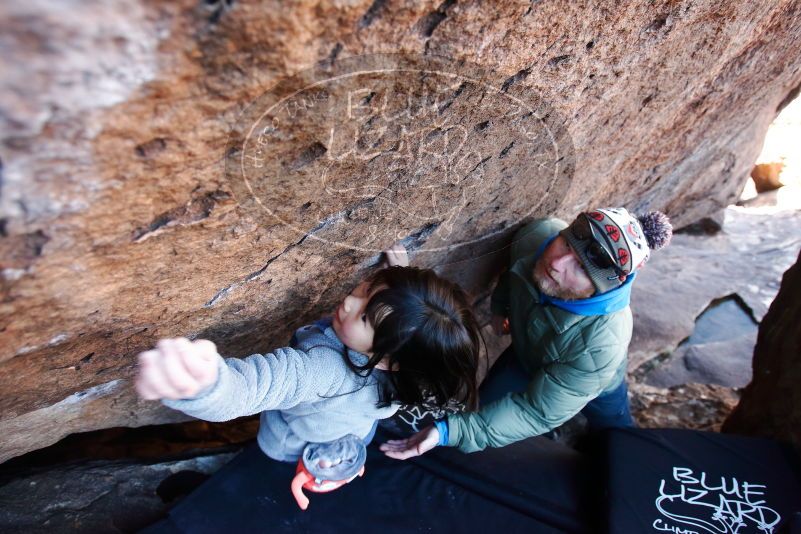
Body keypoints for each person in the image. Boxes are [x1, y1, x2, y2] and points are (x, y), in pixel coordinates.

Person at [135, 244, 483, 463]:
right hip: (353, 426)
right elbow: (420, 321)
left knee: (287, 445)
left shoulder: (321, 368)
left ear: (391, 359)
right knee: (350, 431)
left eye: (365, 315)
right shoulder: (412, 367)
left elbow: (252, 388)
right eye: (365, 289)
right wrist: (399, 278)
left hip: (292, 439)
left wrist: (202, 386)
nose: (349, 302)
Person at [381, 208, 673, 459]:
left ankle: (617, 457)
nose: (557, 264)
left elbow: (536, 411)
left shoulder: (601, 344)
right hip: (526, 356)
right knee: (480, 410)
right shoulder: (537, 237)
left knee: (614, 426)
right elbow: (513, 274)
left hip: (595, 378)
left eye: (581, 268)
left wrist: (451, 431)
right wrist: (500, 307)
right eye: (567, 244)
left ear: (602, 288)